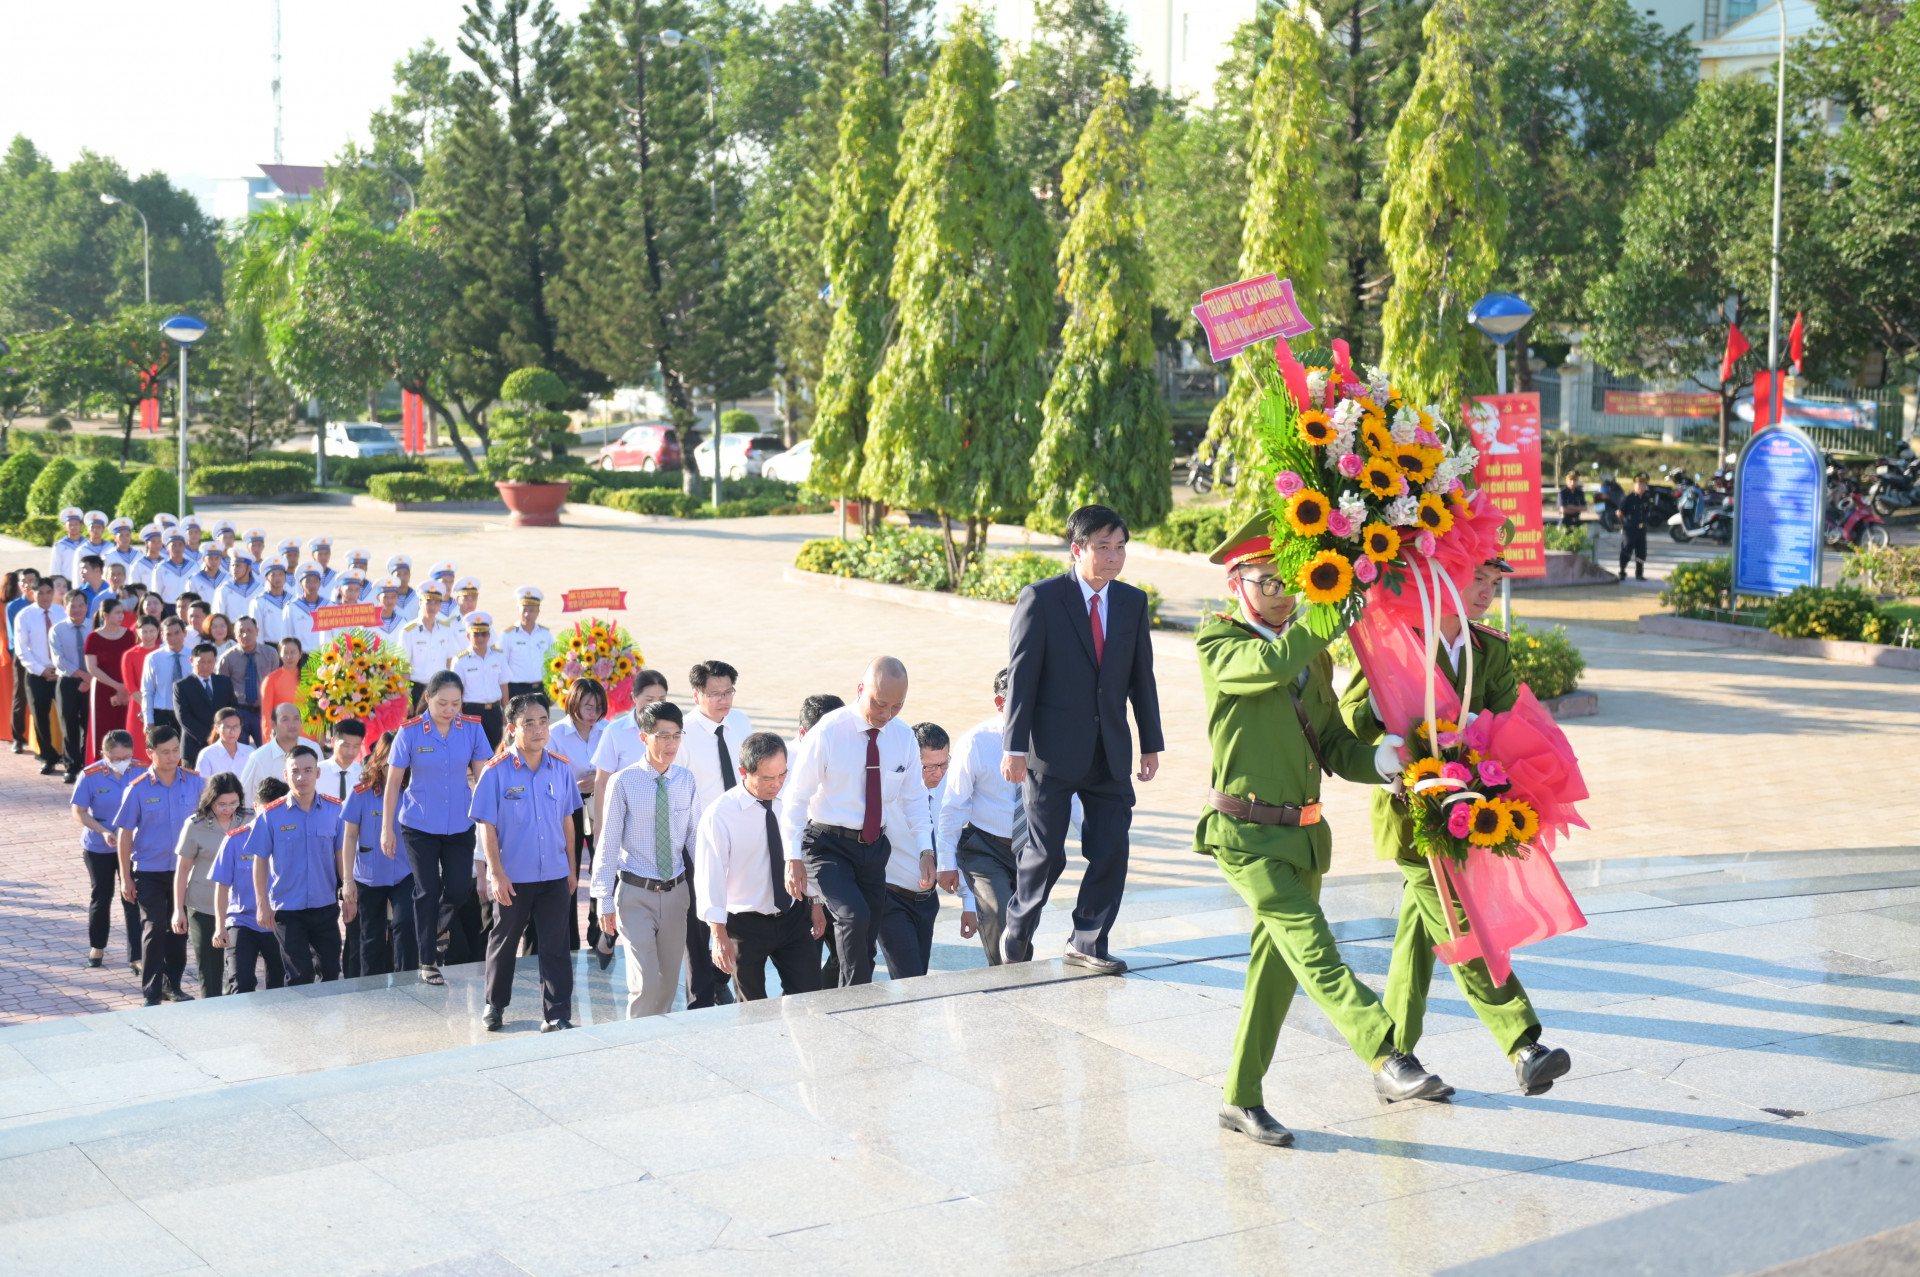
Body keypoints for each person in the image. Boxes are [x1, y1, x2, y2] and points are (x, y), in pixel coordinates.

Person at [1195, 512, 1448, 1148]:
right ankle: (1388, 1054)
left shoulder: (1314, 658)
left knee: (1274, 974)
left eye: (1289, 580)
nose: (1279, 593)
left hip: (1304, 837)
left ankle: (1240, 1098)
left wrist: (1383, 761)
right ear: (1236, 585)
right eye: (1264, 581)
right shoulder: (1219, 644)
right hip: (1245, 836)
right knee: (1316, 951)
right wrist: (1333, 605)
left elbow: (1334, 744)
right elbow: (1272, 665)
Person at [1340, 557, 1573, 1096]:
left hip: (1468, 811)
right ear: (1442, 578)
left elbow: (1516, 723)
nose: (1486, 591)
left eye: (1495, 583)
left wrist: (1483, 731)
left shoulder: (1490, 648)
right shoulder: (1398, 640)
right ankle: (1522, 1044)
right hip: (1412, 815)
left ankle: (1391, 1056)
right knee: (1458, 919)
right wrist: (1382, 707)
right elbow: (1350, 719)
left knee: (1420, 933)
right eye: (1478, 578)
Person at [1000, 504, 1164, 973]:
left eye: (1120, 548)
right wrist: (1013, 748)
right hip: (1050, 752)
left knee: (1112, 847)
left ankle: (1088, 941)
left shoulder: (1132, 603)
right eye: (1102, 547)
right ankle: (1019, 927)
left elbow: (1142, 679)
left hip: (1110, 750)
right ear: (1077, 549)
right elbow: (1021, 678)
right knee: (1046, 853)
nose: (1114, 557)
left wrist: (1150, 743)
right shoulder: (1043, 598)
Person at [780, 657, 933, 988]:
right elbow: (796, 797)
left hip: (874, 849)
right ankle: (856, 1004)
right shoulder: (829, 732)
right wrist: (792, 857)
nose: (886, 713)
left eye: (896, 705)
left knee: (865, 942)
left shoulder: (903, 737)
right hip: (826, 846)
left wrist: (926, 849)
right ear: (861, 690)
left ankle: (843, 998)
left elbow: (915, 799)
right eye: (879, 703)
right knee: (853, 917)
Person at [470, 694, 583, 1031]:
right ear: (512, 728)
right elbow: (486, 825)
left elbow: (568, 822)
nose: (538, 729)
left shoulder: (561, 768)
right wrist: (496, 874)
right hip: (513, 877)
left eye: (543, 721)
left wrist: (572, 869)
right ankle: (495, 1005)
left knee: (556, 946)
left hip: (554, 875)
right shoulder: (496, 771)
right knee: (504, 942)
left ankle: (558, 1012)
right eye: (528, 723)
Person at [383, 669, 492, 986]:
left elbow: (483, 777)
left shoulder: (471, 730)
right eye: (442, 702)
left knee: (459, 888)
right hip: (419, 826)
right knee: (427, 889)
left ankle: (435, 926)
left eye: (456, 703)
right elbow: (392, 784)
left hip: (460, 823)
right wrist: (385, 830)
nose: (449, 709)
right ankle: (427, 959)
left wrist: (489, 819)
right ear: (428, 698)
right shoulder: (410, 732)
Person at [698, 731, 826, 1001]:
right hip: (744, 926)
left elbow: (803, 853)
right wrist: (718, 934)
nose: (778, 784)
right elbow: (711, 877)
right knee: (753, 1010)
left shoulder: (793, 801)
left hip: (792, 916)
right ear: (743, 772)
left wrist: (815, 902)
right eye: (768, 777)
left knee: (810, 997)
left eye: (782, 774)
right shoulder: (720, 815)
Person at [593, 700, 698, 1017]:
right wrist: (603, 899)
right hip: (635, 895)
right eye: (663, 735)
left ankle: (659, 1045)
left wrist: (712, 884)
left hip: (676, 894)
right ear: (644, 737)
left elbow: (693, 838)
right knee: (645, 985)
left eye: (676, 735)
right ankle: (636, 1050)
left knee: (668, 986)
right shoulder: (623, 781)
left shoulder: (685, 779)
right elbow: (608, 842)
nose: (671, 744)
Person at [939, 668, 1030, 967]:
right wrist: (946, 863)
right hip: (984, 848)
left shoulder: (1050, 737)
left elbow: (1070, 796)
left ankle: (1020, 976)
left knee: (1024, 926)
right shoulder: (976, 742)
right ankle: (1009, 980)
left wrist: (1090, 837)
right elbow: (954, 806)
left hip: (1032, 850)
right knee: (998, 915)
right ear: (999, 703)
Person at [113, 724, 206, 1005]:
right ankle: (151, 993)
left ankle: (172, 985)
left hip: (186, 872)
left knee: (179, 929)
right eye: (165, 752)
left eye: (176, 750)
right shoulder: (137, 789)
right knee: (154, 928)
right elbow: (125, 834)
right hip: (150, 873)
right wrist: (126, 878)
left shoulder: (196, 783)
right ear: (150, 753)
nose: (172, 757)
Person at [871, 722, 962, 980]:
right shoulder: (888, 795)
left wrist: (967, 900)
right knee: (910, 980)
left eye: (944, 763)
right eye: (929, 766)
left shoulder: (948, 790)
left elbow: (955, 840)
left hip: (927, 902)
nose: (939, 773)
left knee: (918, 978)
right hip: (891, 900)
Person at [250, 745, 346, 985]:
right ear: (286, 775)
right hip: (287, 909)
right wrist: (262, 903)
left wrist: (349, 892)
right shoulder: (270, 815)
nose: (301, 777)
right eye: (295, 771)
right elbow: (260, 860)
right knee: (299, 975)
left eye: (308, 770)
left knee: (331, 971)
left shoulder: (335, 810)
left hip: (325, 904)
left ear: (318, 773)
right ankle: (300, 1022)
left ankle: (325, 1020)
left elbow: (341, 854)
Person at [341, 732, 418, 976]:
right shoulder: (362, 792)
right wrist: (347, 881)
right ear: (379, 759)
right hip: (369, 874)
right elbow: (350, 836)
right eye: (388, 759)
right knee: (371, 936)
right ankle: (370, 991)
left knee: (406, 924)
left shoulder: (413, 791)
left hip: (405, 872)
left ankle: (407, 981)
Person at [71, 728, 142, 971]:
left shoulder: (142, 771)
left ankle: (137, 956)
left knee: (132, 897)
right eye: (115, 758)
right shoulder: (90, 775)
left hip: (133, 847)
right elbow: (78, 811)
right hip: (99, 846)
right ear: (104, 754)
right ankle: (97, 947)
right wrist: (103, 831)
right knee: (101, 896)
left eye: (126, 758)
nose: (121, 763)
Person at [172, 771, 246, 999]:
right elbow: (182, 869)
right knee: (210, 971)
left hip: (240, 909)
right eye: (221, 804)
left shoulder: (250, 819)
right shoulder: (195, 825)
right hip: (204, 907)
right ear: (210, 800)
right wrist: (178, 910)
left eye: (234, 802)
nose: (228, 809)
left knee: (240, 970)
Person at [212, 777, 289, 994]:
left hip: (279, 921)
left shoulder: (292, 838)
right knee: (241, 982)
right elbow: (222, 886)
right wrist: (220, 926)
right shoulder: (235, 840)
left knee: (282, 985)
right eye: (267, 811)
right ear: (256, 807)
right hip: (242, 921)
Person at [547, 677, 607, 952]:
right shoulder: (556, 734)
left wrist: (599, 779)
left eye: (597, 706)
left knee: (601, 865)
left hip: (600, 803)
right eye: (587, 706)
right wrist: (574, 783)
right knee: (567, 869)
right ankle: (567, 939)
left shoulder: (608, 731)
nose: (593, 712)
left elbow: (619, 767)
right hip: (565, 806)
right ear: (573, 704)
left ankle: (600, 931)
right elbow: (547, 774)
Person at [589, 668, 670, 828]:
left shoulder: (675, 729)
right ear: (634, 697)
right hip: (626, 821)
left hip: (666, 821)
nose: (656, 705)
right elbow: (602, 783)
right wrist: (599, 829)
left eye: (662, 699)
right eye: (649, 699)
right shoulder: (615, 731)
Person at [319, 719, 367, 976]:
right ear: (331, 741)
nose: (350, 752)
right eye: (344, 745)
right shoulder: (315, 773)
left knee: (355, 923)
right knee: (324, 922)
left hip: (353, 858)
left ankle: (352, 977)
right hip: (321, 858)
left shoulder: (364, 775)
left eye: (356, 746)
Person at [239, 703, 324, 813]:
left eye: (296, 719)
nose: (292, 724)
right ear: (273, 724)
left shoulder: (313, 749)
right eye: (285, 720)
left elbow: (323, 786)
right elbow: (245, 799)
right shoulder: (258, 758)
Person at [48, 588, 93, 783]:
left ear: (86, 606)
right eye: (72, 606)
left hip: (92, 681)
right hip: (67, 681)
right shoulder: (57, 630)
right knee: (69, 724)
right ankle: (72, 766)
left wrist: (90, 679)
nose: (77, 610)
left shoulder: (94, 627)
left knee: (88, 724)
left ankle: (86, 763)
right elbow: (59, 660)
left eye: (80, 605)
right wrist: (84, 676)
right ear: (65, 608)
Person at [84, 597, 135, 765]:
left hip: (127, 688)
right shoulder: (93, 637)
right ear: (105, 615)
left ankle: (125, 764)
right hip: (103, 691)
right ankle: (101, 766)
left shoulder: (129, 635)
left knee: (124, 728)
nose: (121, 616)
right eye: (117, 613)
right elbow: (92, 668)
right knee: (102, 730)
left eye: (122, 613)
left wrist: (125, 688)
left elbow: (132, 663)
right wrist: (117, 686)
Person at [450, 612, 510, 748]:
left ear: (489, 636)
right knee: (473, 752)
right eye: (475, 634)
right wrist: (459, 716)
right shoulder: (460, 661)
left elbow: (504, 685)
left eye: (483, 634)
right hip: (472, 712)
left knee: (496, 752)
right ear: (468, 636)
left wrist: (506, 711)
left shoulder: (498, 657)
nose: (480, 638)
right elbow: (456, 692)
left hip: (494, 711)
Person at [173, 642, 236, 768]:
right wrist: (211, 737)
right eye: (201, 662)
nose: (206, 666)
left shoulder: (224, 682)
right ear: (192, 661)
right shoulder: (182, 686)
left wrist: (223, 735)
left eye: (210, 662)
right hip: (194, 746)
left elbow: (233, 710)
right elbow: (184, 717)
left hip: (223, 745)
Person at [400, 583, 456, 710]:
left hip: (441, 688)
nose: (432, 606)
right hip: (417, 689)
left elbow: (449, 660)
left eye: (436, 603)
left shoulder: (445, 629)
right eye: (428, 602)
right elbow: (403, 665)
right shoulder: (409, 631)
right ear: (420, 603)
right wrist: (407, 698)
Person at [218, 617, 273, 745]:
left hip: (264, 711)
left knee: (267, 750)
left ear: (257, 631)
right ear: (234, 633)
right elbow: (222, 690)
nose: (245, 634)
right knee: (239, 753)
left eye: (249, 630)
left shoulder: (270, 654)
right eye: (241, 631)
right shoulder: (227, 658)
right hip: (239, 712)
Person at [5, 567, 39, 754]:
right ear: (19, 585)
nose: (27, 585)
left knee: (42, 697)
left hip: (43, 655)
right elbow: (13, 636)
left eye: (31, 580)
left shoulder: (45, 603)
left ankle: (42, 740)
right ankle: (18, 738)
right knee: (21, 696)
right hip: (22, 655)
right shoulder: (14, 606)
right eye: (24, 581)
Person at [141, 617, 191, 741]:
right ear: (162, 635)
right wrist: (149, 721)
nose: (173, 638)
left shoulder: (194, 657)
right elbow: (147, 691)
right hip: (163, 714)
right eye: (169, 634)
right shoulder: (153, 658)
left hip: (189, 714)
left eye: (177, 633)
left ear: (185, 633)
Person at [499, 587, 553, 700]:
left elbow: (552, 661)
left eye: (532, 610)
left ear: (538, 611)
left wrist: (552, 694)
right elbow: (502, 666)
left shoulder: (545, 634)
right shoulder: (508, 635)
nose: (527, 614)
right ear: (518, 610)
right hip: (517, 689)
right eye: (524, 610)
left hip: (541, 688)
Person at [121, 615, 160, 763]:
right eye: (144, 631)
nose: (148, 635)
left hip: (160, 705)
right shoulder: (129, 655)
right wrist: (147, 709)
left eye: (152, 631)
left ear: (158, 631)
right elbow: (131, 687)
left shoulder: (162, 653)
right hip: (138, 708)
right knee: (138, 749)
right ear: (137, 632)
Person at [260, 636, 305, 741]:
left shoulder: (310, 678)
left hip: (308, 735)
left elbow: (317, 710)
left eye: (293, 652)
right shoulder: (271, 680)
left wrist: (320, 735)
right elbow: (266, 714)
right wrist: (268, 737)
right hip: (283, 736)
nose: (289, 656)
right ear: (280, 654)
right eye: (286, 653)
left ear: (300, 654)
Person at [197, 708, 255, 785]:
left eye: (236, 726)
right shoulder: (207, 754)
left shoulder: (250, 752)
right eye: (227, 727)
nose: (232, 731)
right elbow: (201, 786)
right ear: (217, 729)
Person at [1618, 472, 1652, 581]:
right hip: (1630, 529)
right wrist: (1625, 524)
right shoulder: (1628, 498)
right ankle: (1622, 571)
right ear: (1634, 485)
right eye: (1639, 484)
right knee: (1627, 549)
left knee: (1641, 552)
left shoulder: (1646, 498)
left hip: (1641, 529)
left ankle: (1639, 573)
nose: (1641, 486)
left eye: (1643, 484)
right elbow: (1620, 513)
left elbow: (1648, 512)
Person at [214, 549, 262, 622]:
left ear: (249, 568)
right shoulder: (224, 588)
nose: (234, 569)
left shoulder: (260, 589)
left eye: (238, 566)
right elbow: (218, 616)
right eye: (232, 565)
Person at [48, 508, 88, 583]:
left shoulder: (88, 544)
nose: (73, 527)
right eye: (70, 525)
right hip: (66, 584)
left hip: (85, 583)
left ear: (81, 526)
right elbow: (55, 568)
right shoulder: (60, 546)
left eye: (76, 524)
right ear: (65, 527)